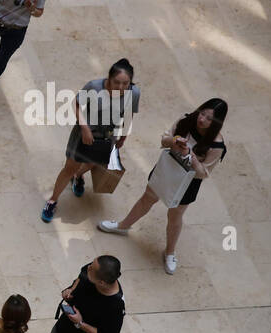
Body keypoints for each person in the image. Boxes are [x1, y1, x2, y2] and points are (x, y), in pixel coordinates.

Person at [97, 99, 229, 275]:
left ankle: (170, 252)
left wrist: (191, 156)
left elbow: (204, 173)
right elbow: (165, 138)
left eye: (208, 118)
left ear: (216, 123)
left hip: (187, 182)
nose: (202, 119)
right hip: (167, 167)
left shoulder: (217, 145)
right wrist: (174, 141)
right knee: (147, 199)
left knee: (175, 215)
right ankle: (123, 225)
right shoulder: (186, 120)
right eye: (202, 113)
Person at [41, 58, 139, 222]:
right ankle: (52, 200)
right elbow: (77, 104)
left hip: (109, 135)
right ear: (109, 78)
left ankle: (79, 176)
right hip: (84, 133)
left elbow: (129, 113)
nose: (121, 88)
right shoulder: (94, 86)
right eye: (117, 82)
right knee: (69, 167)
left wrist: (123, 136)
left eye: (126, 84)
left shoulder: (134, 93)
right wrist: (85, 128)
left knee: (96, 162)